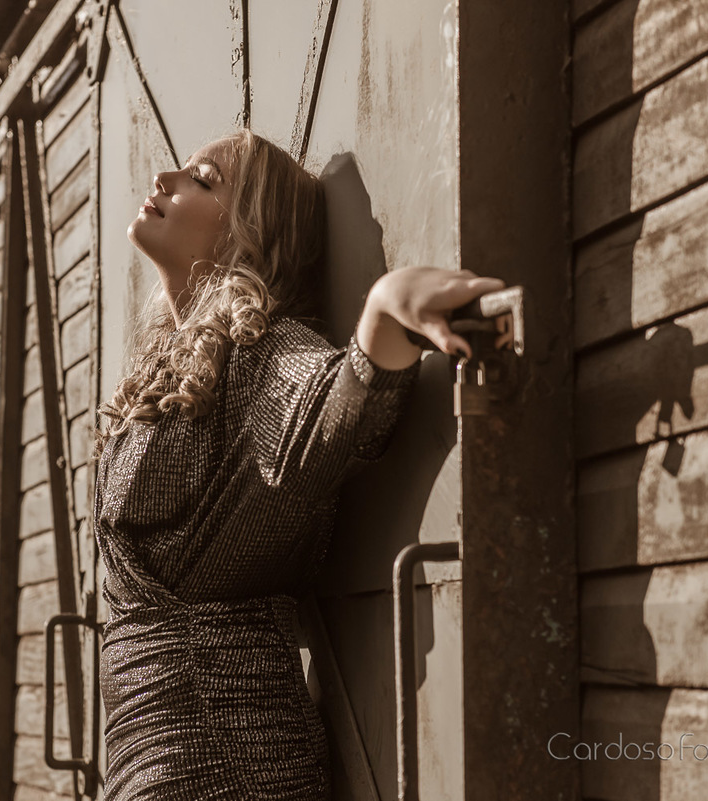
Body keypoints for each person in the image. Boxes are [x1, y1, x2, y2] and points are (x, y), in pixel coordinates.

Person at [91, 128, 510, 799]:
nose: (167, 178)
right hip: (156, 757)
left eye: (203, 178)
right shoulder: (172, 361)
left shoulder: (258, 351)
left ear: (248, 234)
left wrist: (385, 312)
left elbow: (332, 409)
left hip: (225, 759)